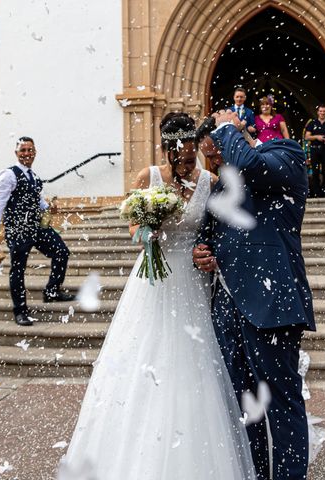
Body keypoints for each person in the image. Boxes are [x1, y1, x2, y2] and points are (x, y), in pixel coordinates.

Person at [59, 113, 256, 480]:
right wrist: (144, 236)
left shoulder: (210, 182)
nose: (184, 158)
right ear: (166, 148)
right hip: (152, 281)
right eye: (177, 152)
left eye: (189, 151)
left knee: (193, 355)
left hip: (192, 283)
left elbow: (214, 231)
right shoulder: (147, 178)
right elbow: (133, 222)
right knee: (145, 352)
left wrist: (208, 253)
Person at [193, 109, 316, 480]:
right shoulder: (223, 183)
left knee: (281, 403)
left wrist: (229, 127)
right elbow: (209, 231)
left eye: (216, 153)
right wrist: (203, 252)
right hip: (228, 308)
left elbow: (250, 164)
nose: (215, 163)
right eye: (208, 158)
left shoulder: (286, 154)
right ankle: (257, 474)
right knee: (247, 406)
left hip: (272, 303)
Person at [0, 137, 74, 327]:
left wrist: (47, 207)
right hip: (18, 229)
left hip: (37, 227)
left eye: (30, 150)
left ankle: (52, 292)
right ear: (16, 153)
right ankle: (20, 311)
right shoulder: (8, 175)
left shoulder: (33, 175)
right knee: (18, 269)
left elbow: (36, 197)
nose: (27, 153)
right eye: (23, 150)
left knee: (61, 252)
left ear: (35, 152)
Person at [304, 105, 325, 197]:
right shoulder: (312, 123)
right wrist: (317, 137)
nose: (322, 113)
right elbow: (307, 136)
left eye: (324, 111)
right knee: (315, 171)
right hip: (314, 149)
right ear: (318, 112)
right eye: (320, 111)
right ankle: (316, 193)